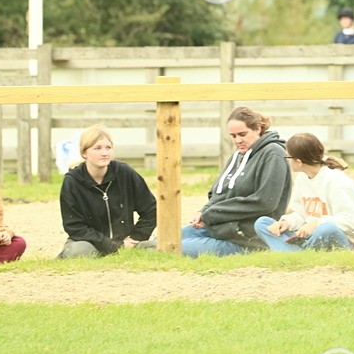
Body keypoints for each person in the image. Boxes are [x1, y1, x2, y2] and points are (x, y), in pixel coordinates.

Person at [181, 107, 292, 257]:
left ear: (258, 129)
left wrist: (213, 214)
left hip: (247, 239)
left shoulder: (273, 153)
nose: (238, 140)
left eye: (242, 134)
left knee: (174, 248)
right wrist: (204, 211)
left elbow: (266, 202)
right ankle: (142, 246)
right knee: (165, 240)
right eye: (233, 136)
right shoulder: (238, 155)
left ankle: (143, 246)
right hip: (221, 228)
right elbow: (220, 192)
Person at [254, 133, 354, 252]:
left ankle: (295, 252)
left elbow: (350, 220)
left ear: (298, 162)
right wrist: (286, 222)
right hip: (311, 235)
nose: (287, 161)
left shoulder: (337, 181)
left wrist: (317, 223)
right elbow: (301, 214)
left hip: (345, 240)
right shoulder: (302, 178)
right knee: (262, 223)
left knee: (327, 229)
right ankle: (300, 252)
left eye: (288, 157)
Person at [57, 127, 157, 258]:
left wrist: (135, 238)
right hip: (90, 243)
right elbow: (74, 226)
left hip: (126, 242)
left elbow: (151, 209)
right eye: (97, 148)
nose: (104, 153)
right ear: (84, 152)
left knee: (162, 248)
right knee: (79, 251)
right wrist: (112, 246)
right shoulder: (72, 181)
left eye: (108, 148)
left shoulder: (125, 173)